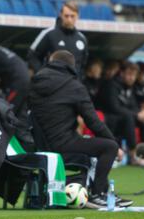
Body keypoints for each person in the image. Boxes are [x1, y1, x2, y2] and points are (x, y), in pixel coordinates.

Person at [29, 50, 133, 209]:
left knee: (90, 144)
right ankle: (98, 195)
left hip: (41, 145)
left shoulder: (35, 82)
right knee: (108, 147)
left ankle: (104, 192)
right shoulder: (74, 86)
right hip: (64, 144)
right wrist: (115, 144)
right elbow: (93, 122)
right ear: (72, 66)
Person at [99, 61, 144, 163]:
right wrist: (136, 114)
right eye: (129, 74)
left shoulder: (129, 87)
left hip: (123, 118)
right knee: (129, 118)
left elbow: (133, 106)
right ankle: (134, 155)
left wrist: (142, 114)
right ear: (122, 73)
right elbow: (114, 107)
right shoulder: (112, 84)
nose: (131, 78)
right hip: (108, 118)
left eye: (134, 75)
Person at [26, 0, 88, 77]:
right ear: (61, 15)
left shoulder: (82, 38)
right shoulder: (48, 33)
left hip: (73, 85)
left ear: (78, 16)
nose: (69, 19)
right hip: (52, 84)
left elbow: (83, 63)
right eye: (66, 16)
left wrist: (79, 80)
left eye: (72, 16)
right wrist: (43, 75)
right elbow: (32, 55)